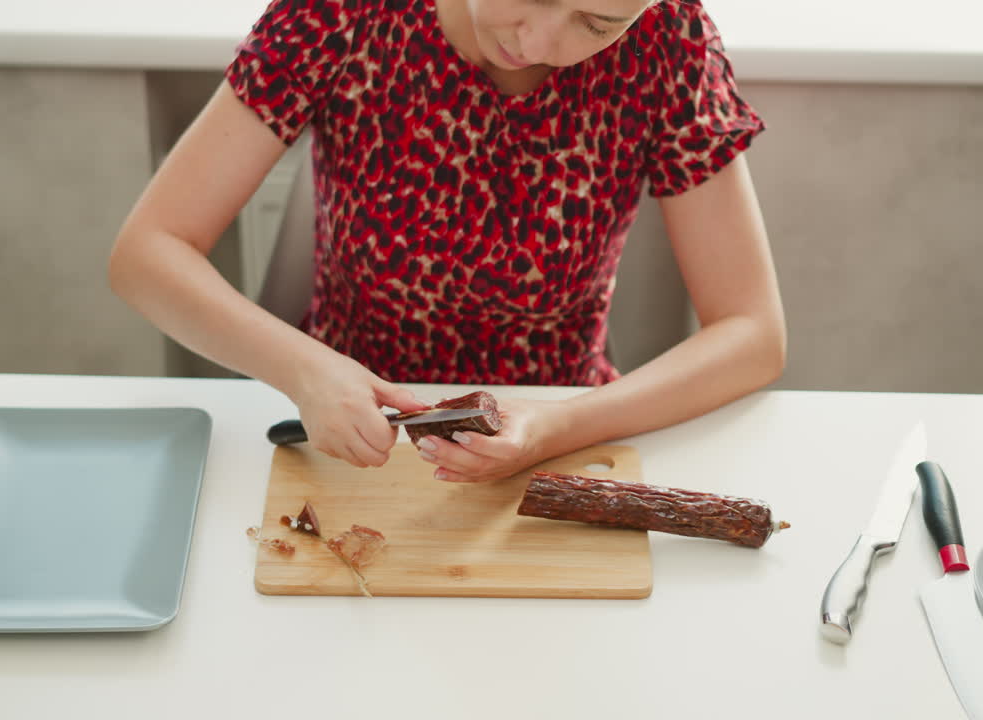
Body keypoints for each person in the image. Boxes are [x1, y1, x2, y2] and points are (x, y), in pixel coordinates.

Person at [109, 0, 787, 484]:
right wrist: (302, 369)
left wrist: (553, 428)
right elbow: (147, 253)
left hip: (557, 443)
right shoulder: (344, 13)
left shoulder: (671, 38)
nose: (539, 39)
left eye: (596, 23)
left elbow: (752, 334)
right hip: (354, 442)